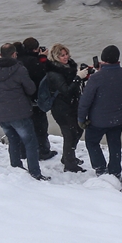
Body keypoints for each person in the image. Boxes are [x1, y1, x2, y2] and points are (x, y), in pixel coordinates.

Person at [0, 43, 47, 180]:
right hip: (20, 113)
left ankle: (16, 167)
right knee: (30, 142)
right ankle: (35, 173)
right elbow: (31, 89)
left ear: (0, 55)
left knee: (13, 141)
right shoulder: (19, 69)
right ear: (14, 54)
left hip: (1, 114)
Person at [77, 44, 122, 178]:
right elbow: (113, 82)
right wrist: (104, 69)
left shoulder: (96, 78)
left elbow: (85, 101)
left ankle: (100, 168)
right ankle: (115, 171)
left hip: (98, 121)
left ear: (102, 59)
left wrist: (81, 119)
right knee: (114, 144)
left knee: (92, 142)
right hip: (118, 119)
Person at [44, 44, 88, 173]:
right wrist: (78, 78)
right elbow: (66, 91)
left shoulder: (69, 67)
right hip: (61, 109)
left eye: (66, 54)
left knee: (78, 130)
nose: (65, 57)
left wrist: (81, 76)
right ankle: (70, 164)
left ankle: (68, 157)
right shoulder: (53, 73)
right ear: (55, 57)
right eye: (62, 55)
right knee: (69, 134)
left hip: (72, 105)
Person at [19, 37, 57, 160]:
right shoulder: (35, 62)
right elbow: (44, 74)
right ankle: (43, 152)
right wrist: (43, 58)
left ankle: (23, 152)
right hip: (36, 100)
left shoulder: (18, 60)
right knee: (41, 128)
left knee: (24, 127)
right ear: (36, 49)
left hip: (21, 100)